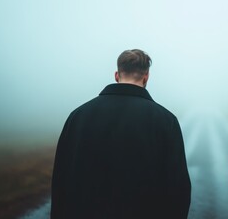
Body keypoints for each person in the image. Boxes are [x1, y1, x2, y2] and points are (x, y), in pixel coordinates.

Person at [51, 49, 191, 219]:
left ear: (117, 75)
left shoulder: (77, 117)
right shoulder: (166, 121)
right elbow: (178, 190)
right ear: (146, 77)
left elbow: (60, 181)